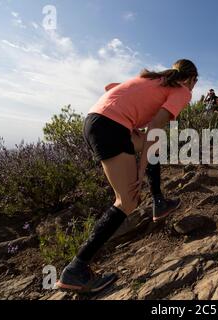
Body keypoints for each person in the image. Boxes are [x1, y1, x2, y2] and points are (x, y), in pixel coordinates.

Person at [56, 59, 199, 293]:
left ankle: (158, 201)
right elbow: (155, 126)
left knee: (148, 144)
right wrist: (141, 170)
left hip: (96, 120)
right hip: (111, 126)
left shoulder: (151, 78)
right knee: (128, 200)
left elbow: (110, 88)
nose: (193, 88)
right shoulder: (182, 90)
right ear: (192, 79)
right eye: (194, 83)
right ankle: (76, 269)